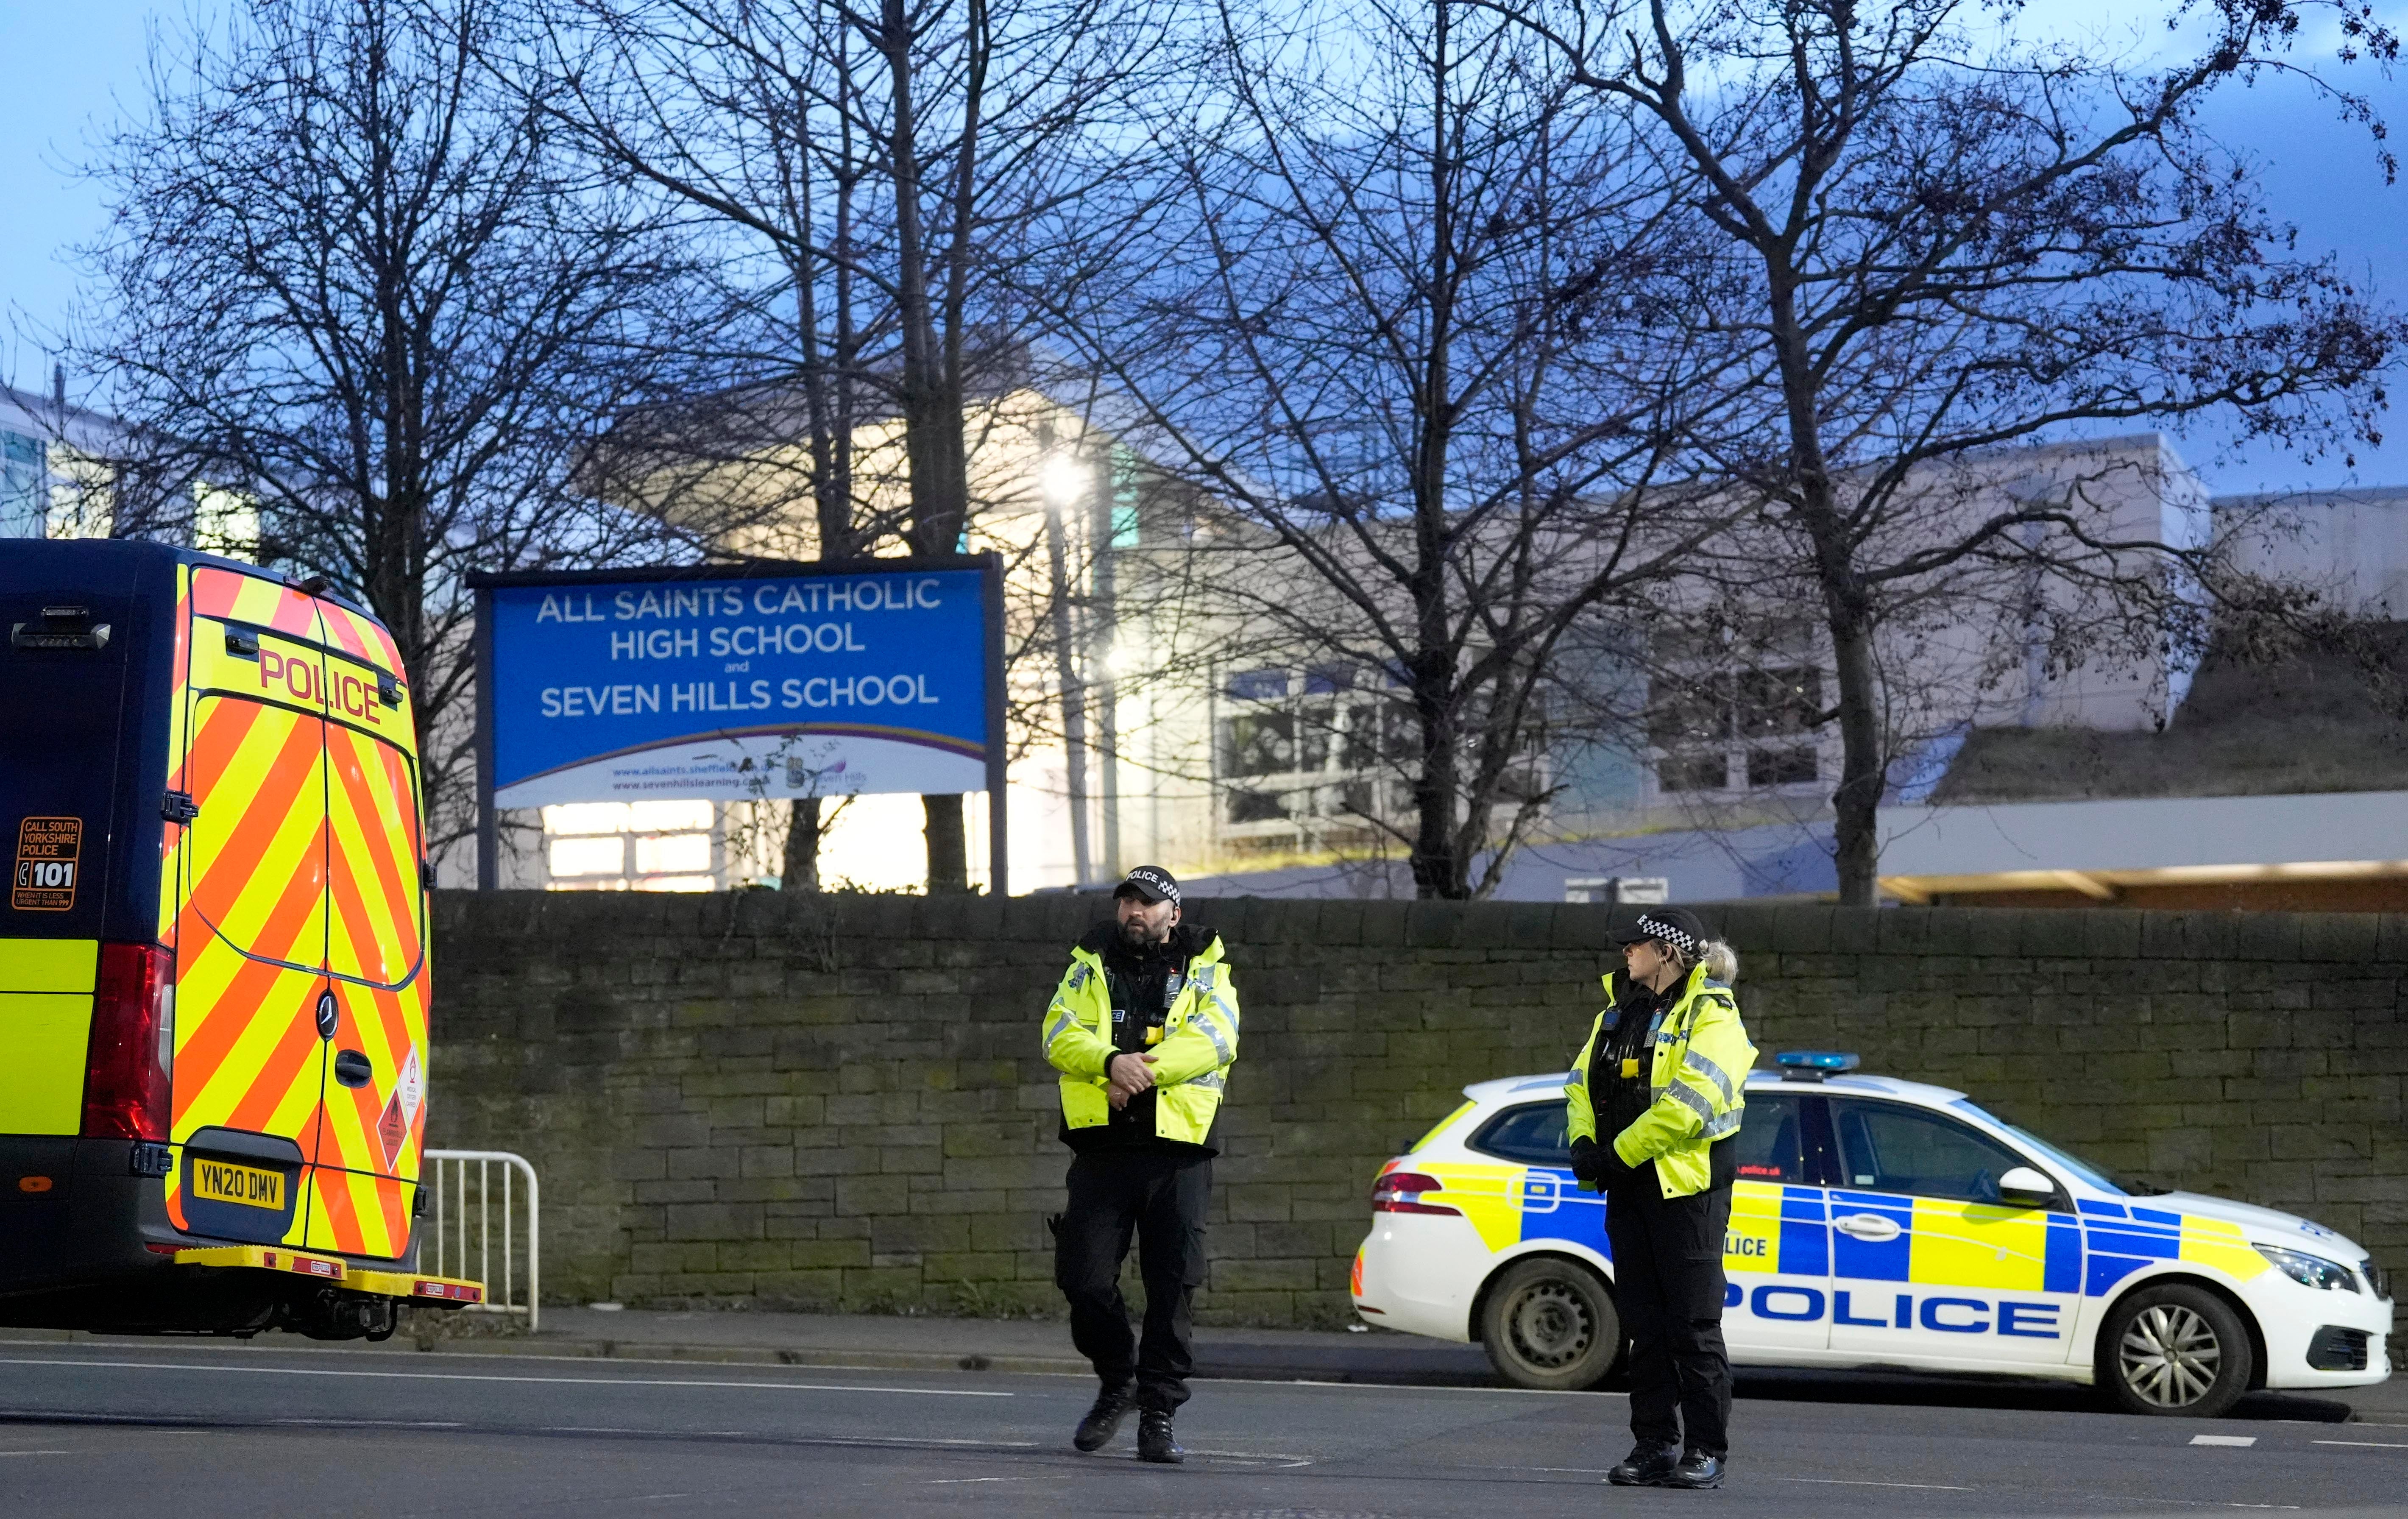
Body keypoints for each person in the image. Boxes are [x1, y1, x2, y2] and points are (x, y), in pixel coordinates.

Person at [1040, 865, 1240, 1464]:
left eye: (1148, 903)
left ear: (1173, 914)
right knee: (1083, 1278)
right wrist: (1109, 1062)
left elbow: (1217, 1037)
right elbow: (1058, 1032)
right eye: (1127, 901)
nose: (1134, 911)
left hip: (1178, 1151)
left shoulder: (1206, 967)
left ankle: (1158, 1413)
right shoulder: (1089, 964)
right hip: (1103, 1148)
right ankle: (1117, 1378)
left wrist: (1137, 1072)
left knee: (1172, 1286)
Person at [1565, 907, 1756, 1491]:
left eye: (1636, 945)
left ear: (1667, 952)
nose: (1626, 952)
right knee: (1643, 1327)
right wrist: (1583, 1142)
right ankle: (1653, 1445)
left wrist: (1616, 1153)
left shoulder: (1713, 1014)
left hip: (1686, 1191)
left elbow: (1689, 1105)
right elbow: (1579, 1083)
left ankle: (1705, 1449)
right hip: (1630, 1188)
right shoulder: (1617, 1011)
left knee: (1692, 1325)